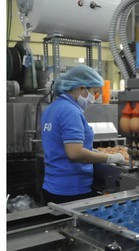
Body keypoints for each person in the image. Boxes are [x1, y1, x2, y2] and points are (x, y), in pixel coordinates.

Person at [40, 65, 126, 204]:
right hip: (72, 190)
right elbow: (75, 153)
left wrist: (92, 151)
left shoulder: (52, 108)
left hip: (52, 186)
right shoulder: (71, 111)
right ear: (81, 88)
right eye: (94, 92)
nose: (94, 98)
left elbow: (62, 145)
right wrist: (109, 157)